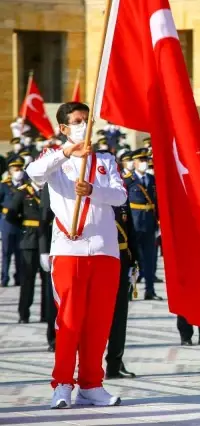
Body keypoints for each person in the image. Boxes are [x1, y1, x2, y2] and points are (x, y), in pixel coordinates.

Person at [26, 102, 127, 408]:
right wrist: (68, 153)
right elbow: (35, 172)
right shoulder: (54, 158)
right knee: (69, 321)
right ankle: (62, 384)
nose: (84, 124)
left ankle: (92, 383)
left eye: (87, 120)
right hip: (68, 248)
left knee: (99, 321)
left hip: (104, 249)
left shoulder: (106, 159)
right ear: (64, 128)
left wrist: (93, 190)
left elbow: (120, 195)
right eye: (77, 121)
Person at [5, 176, 47, 323]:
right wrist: (24, 227)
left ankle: (46, 314)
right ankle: (24, 314)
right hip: (29, 240)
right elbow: (10, 215)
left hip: (46, 241)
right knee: (27, 280)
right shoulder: (22, 192)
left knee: (47, 281)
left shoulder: (49, 191)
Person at [105, 200, 138, 379]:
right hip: (99, 260)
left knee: (119, 316)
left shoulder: (120, 197)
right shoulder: (88, 193)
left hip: (122, 260)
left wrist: (135, 260)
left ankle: (115, 364)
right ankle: (87, 365)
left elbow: (130, 231)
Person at [128, 148, 161, 301]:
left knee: (150, 258)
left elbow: (158, 202)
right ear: (134, 163)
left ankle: (150, 290)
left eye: (145, 160)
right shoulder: (128, 180)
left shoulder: (152, 179)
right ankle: (130, 289)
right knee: (133, 259)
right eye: (140, 161)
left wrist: (159, 223)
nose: (144, 163)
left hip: (149, 223)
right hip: (134, 224)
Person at [1, 155, 28, 287]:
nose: (17, 171)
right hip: (8, 223)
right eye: (15, 169)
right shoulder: (4, 185)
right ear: (10, 170)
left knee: (20, 252)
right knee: (6, 252)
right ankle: (4, 278)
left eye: (19, 168)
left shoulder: (26, 185)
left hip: (22, 222)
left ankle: (19, 277)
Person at [39, 184, 57, 352]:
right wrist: (44, 250)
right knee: (54, 295)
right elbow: (44, 220)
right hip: (55, 242)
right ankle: (54, 338)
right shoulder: (51, 182)